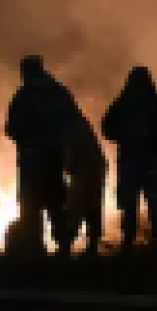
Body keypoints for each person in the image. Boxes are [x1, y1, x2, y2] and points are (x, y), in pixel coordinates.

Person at [4, 56, 73, 256]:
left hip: (32, 160)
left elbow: (11, 128)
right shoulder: (59, 92)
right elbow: (71, 122)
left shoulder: (23, 96)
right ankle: (63, 246)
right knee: (56, 203)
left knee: (31, 205)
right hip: (54, 160)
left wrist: (26, 139)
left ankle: (35, 248)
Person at [101, 67, 157, 252]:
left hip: (139, 161)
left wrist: (149, 136)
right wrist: (128, 135)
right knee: (141, 204)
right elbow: (107, 127)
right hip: (140, 161)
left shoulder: (129, 102)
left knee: (146, 204)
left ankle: (147, 242)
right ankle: (144, 242)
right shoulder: (150, 102)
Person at [60, 103, 107, 257]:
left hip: (87, 169)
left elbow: (68, 153)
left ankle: (67, 247)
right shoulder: (76, 122)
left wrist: (68, 167)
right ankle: (91, 246)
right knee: (92, 206)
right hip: (93, 168)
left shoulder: (69, 126)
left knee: (77, 206)